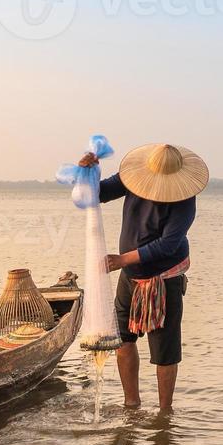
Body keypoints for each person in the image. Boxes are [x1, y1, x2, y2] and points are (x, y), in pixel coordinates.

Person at [77, 143, 209, 411]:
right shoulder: (132, 179)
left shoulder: (184, 199)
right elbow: (95, 195)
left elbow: (168, 244)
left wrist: (121, 259)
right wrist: (87, 173)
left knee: (164, 350)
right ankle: (131, 403)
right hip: (130, 278)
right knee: (123, 339)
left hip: (164, 279)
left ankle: (165, 412)